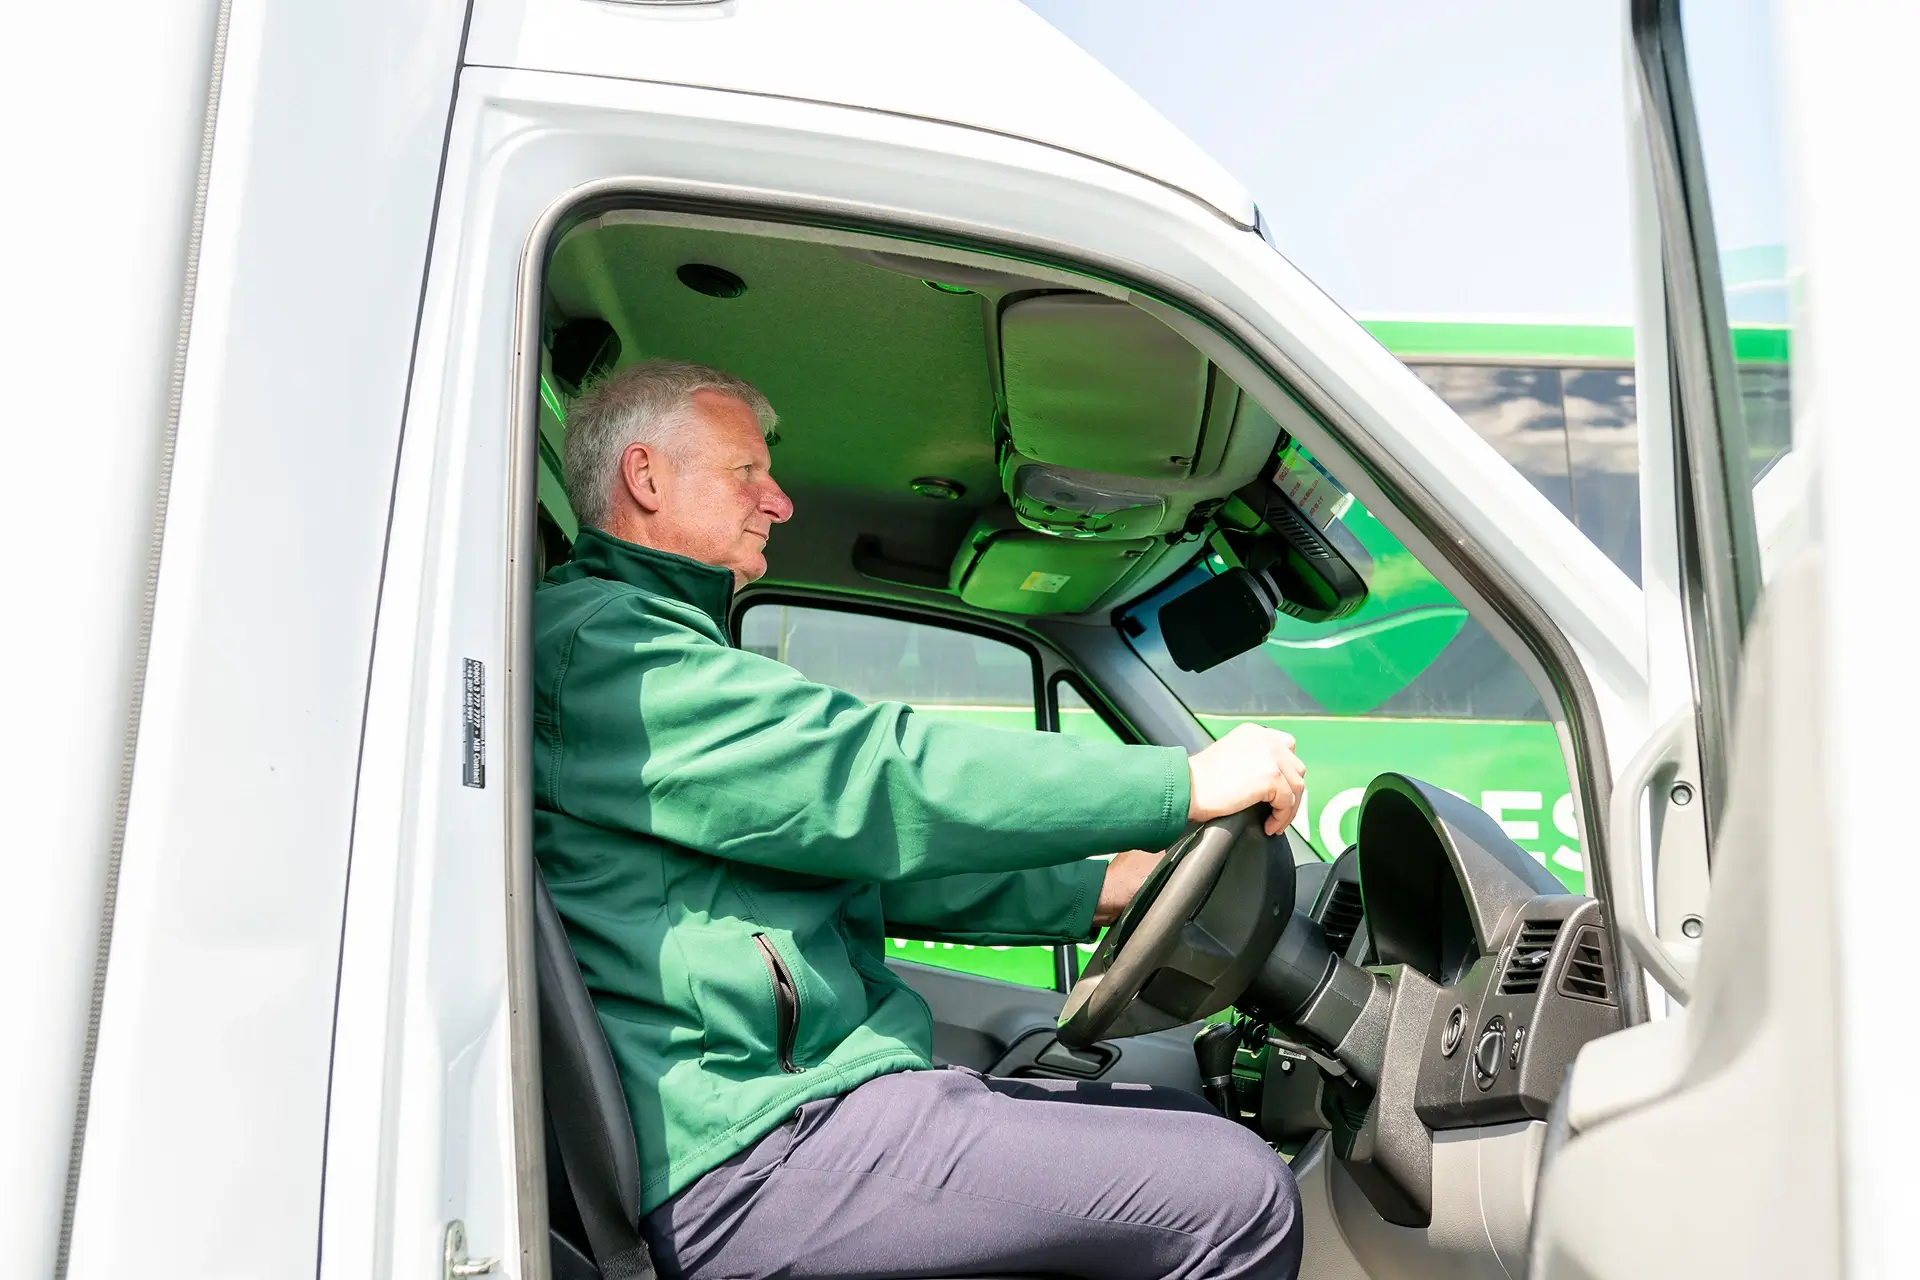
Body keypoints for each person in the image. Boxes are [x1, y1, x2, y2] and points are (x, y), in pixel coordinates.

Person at [536, 359, 1309, 1280]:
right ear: (645, 476)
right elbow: (877, 772)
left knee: (1183, 1130)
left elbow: (846, 856)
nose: (777, 502)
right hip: (745, 1149)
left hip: (783, 1109)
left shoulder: (649, 640)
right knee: (1237, 1193)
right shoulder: (612, 649)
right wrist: (1181, 783)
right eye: (747, 472)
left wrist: (1100, 888)